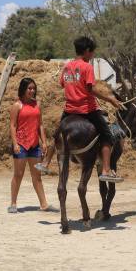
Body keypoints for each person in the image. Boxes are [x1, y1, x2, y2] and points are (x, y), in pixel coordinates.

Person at [36, 36, 123, 182]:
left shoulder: (67, 66)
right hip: (87, 110)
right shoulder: (87, 67)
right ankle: (106, 170)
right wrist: (110, 99)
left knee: (58, 134)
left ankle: (46, 162)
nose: (93, 55)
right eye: (92, 52)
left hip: (69, 110)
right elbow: (91, 90)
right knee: (107, 135)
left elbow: (62, 84)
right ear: (87, 51)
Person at [8, 78, 56, 214]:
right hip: (21, 144)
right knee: (18, 174)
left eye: (34, 88)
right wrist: (15, 143)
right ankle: (13, 203)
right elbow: (12, 126)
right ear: (23, 89)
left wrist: (44, 142)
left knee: (37, 176)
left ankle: (44, 204)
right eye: (29, 88)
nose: (32, 91)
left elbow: (40, 124)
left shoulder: (37, 105)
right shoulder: (17, 105)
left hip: (34, 145)